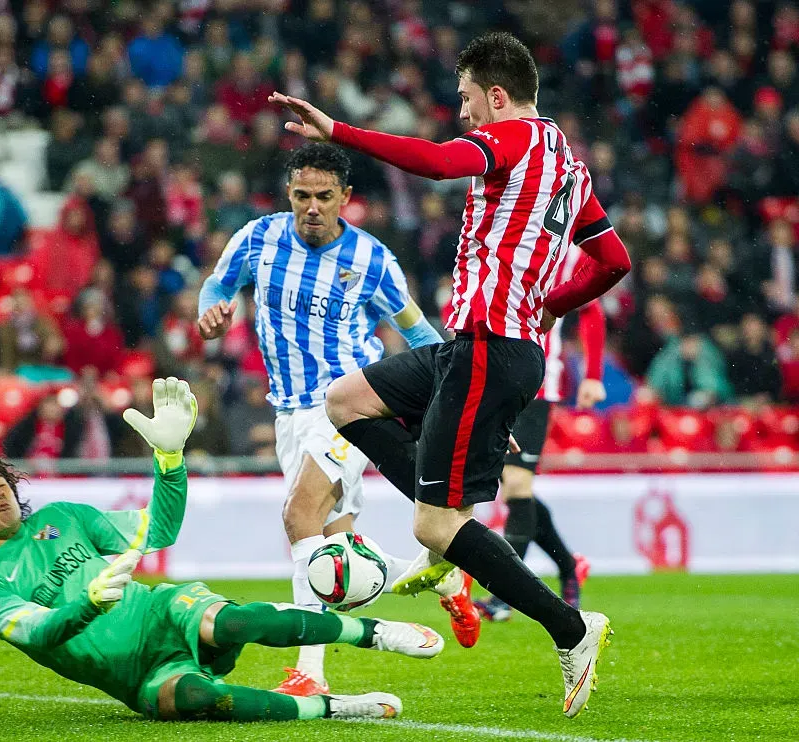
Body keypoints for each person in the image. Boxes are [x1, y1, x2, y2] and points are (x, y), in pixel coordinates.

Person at [270, 31, 631, 718]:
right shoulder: (570, 166)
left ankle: (570, 628)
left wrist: (336, 128)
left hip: (491, 347)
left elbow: (437, 164)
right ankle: (452, 527)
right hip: (480, 345)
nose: (462, 113)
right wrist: (553, 306)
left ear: (497, 96)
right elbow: (613, 261)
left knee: (433, 528)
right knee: (345, 400)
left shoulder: (515, 139)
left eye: (466, 99)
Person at [0, 377, 442, 722]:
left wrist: (169, 460)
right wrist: (87, 603)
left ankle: (375, 633)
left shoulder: (62, 518)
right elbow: (37, 630)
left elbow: (158, 530)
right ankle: (331, 709)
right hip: (137, 677)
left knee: (233, 622)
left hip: (162, 613)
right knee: (199, 700)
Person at [197, 143, 478, 698]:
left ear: (346, 199)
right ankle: (443, 576)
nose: (312, 207)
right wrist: (211, 310)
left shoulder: (373, 261)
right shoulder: (258, 238)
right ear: (289, 194)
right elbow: (218, 284)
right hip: (287, 413)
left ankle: (309, 672)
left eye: (325, 197)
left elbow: (422, 336)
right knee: (335, 548)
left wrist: (464, 394)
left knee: (300, 518)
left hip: (347, 407)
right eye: (302, 195)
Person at [476, 243, 605, 623]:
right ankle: (569, 567)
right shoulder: (496, 237)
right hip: (493, 381)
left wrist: (593, 375)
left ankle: (503, 594)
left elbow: (591, 308)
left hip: (537, 382)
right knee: (518, 491)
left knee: (516, 486)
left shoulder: (572, 253)